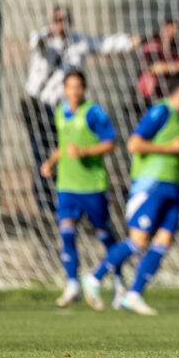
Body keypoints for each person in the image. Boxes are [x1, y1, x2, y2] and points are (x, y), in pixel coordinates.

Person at [82, 73, 179, 315]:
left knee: (163, 242)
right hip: (150, 186)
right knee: (138, 241)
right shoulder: (160, 112)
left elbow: (176, 148)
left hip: (173, 186)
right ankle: (94, 278)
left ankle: (134, 294)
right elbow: (134, 144)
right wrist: (171, 149)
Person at [22, 5, 140, 216]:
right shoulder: (44, 40)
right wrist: (46, 35)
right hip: (38, 106)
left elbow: (104, 44)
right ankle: (44, 206)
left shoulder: (78, 43)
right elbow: (36, 42)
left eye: (64, 19)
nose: (60, 23)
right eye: (56, 19)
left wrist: (129, 42)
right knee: (41, 153)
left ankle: (62, 202)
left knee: (62, 153)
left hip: (61, 109)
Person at [39, 70, 123, 308]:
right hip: (66, 184)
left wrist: (85, 152)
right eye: (69, 87)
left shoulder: (94, 112)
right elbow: (64, 146)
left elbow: (111, 143)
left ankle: (118, 282)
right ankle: (72, 284)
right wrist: (51, 162)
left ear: (84, 88)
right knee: (66, 233)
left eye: (78, 87)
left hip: (91, 186)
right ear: (64, 89)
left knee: (104, 234)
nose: (73, 91)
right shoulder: (60, 112)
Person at [135, 19, 179, 105]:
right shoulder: (151, 46)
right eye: (168, 30)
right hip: (148, 96)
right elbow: (152, 68)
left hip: (171, 98)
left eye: (174, 32)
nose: (170, 35)